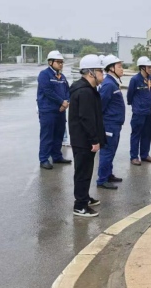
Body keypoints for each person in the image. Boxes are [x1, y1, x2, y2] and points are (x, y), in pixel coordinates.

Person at [68, 54, 106, 217]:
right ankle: (80, 205)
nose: (102, 74)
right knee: (83, 172)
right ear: (91, 72)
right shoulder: (84, 92)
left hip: (83, 139)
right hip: (83, 140)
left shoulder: (88, 89)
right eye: (100, 71)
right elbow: (86, 118)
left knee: (85, 171)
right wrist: (94, 140)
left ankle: (84, 196)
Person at [37, 50, 71, 169]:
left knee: (59, 135)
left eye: (62, 62)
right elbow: (48, 91)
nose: (61, 64)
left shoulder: (62, 77)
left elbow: (67, 91)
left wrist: (66, 102)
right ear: (50, 62)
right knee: (47, 135)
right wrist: (62, 102)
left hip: (60, 111)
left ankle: (57, 156)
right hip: (48, 111)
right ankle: (44, 159)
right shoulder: (44, 75)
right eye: (58, 62)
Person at [96, 54, 126, 189]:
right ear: (111, 68)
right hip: (109, 124)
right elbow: (100, 105)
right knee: (107, 152)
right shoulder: (108, 84)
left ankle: (108, 174)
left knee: (111, 151)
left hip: (115, 124)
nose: (122, 69)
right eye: (119, 66)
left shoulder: (113, 82)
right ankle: (102, 180)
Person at [127, 56, 151, 166]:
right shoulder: (135, 80)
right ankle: (134, 157)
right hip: (139, 112)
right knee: (136, 134)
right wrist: (136, 105)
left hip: (149, 111)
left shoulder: (150, 79)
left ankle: (145, 155)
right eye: (149, 67)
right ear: (142, 68)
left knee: (147, 134)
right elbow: (130, 95)